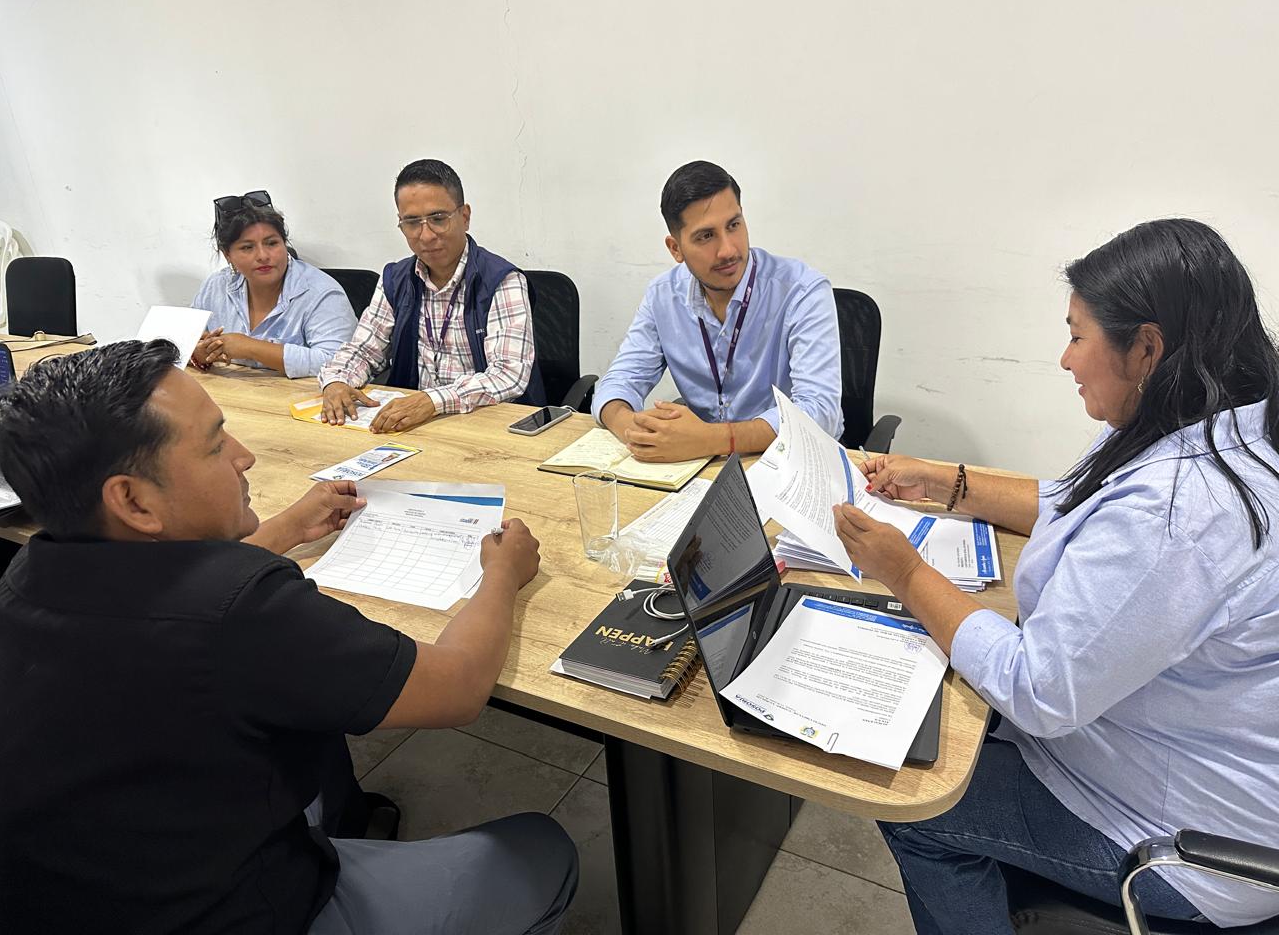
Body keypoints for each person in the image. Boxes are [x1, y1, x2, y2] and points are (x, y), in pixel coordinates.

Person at [0, 340, 577, 935]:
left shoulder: (27, 574)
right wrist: (503, 574)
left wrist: (285, 528)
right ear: (133, 501)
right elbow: (458, 688)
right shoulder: (246, 612)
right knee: (543, 850)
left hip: (76, 898)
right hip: (233, 913)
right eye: (216, 445)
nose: (244, 456)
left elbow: (170, 599)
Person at [831, 219, 1279, 930]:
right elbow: (1073, 500)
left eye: (1077, 336)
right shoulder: (1202, 418)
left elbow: (1037, 690)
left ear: (1147, 348)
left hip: (1184, 833)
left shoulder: (1179, 515)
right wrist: (944, 481)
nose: (1065, 359)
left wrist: (905, 570)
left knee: (916, 800)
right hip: (1168, 747)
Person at [591, 160, 842, 463]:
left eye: (733, 225)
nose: (728, 250)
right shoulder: (663, 296)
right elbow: (619, 381)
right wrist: (634, 430)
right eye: (706, 236)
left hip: (794, 462)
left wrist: (710, 439)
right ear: (675, 248)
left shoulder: (802, 291)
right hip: (702, 464)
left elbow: (820, 413)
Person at [318, 159, 544, 434]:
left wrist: (432, 401)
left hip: (488, 428)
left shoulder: (501, 280)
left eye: (438, 219)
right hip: (413, 428)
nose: (425, 235)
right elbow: (364, 350)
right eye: (412, 222)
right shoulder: (396, 280)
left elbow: (508, 374)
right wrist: (337, 381)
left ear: (465, 217)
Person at [192, 190, 357, 377]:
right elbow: (183, 343)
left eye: (271, 243)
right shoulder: (215, 286)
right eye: (247, 247)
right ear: (227, 255)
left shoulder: (321, 292)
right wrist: (198, 353)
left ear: (284, 243)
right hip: (229, 391)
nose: (263, 256)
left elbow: (339, 362)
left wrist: (251, 347)